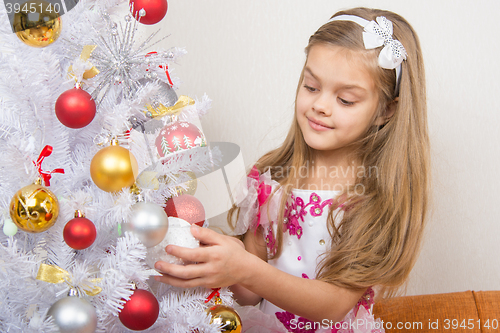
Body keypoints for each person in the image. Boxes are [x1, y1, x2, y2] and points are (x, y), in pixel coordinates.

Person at [154, 7, 429, 333]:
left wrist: (244, 269)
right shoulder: (274, 176)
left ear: (385, 110)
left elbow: (333, 306)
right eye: (312, 87)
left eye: (345, 99)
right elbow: (248, 292)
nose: (320, 105)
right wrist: (209, 255)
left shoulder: (373, 195)